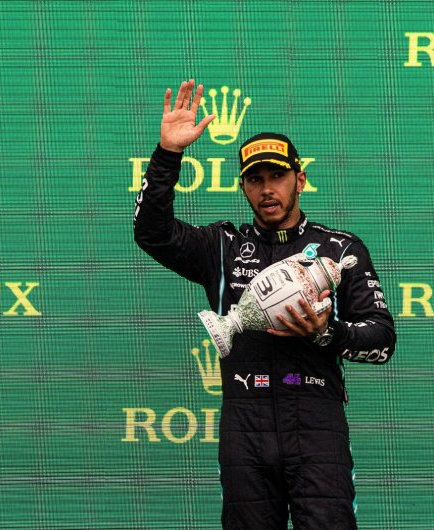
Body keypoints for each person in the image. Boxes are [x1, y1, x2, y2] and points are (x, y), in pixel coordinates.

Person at [133, 79, 396, 530]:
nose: (267, 189)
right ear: (243, 187)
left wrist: (326, 332)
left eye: (277, 176)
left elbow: (383, 340)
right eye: (255, 179)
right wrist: (168, 154)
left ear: (300, 179)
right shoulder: (222, 247)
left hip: (317, 424)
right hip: (245, 424)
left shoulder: (340, 249)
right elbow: (150, 232)